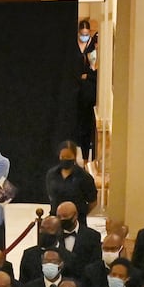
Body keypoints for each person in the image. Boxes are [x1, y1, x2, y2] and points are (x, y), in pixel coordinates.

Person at [45, 141, 97, 221]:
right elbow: (50, 195)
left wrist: (81, 214)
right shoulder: (52, 174)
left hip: (77, 220)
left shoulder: (84, 177)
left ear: (74, 156)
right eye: (63, 157)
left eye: (68, 157)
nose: (65, 159)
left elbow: (92, 202)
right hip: (56, 220)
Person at [74, 19, 99, 159]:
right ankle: (82, 155)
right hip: (78, 90)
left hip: (90, 91)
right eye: (82, 34)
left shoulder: (93, 50)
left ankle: (87, 155)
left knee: (89, 126)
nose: (84, 36)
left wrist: (87, 76)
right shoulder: (75, 46)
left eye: (86, 33)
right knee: (80, 124)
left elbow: (95, 72)